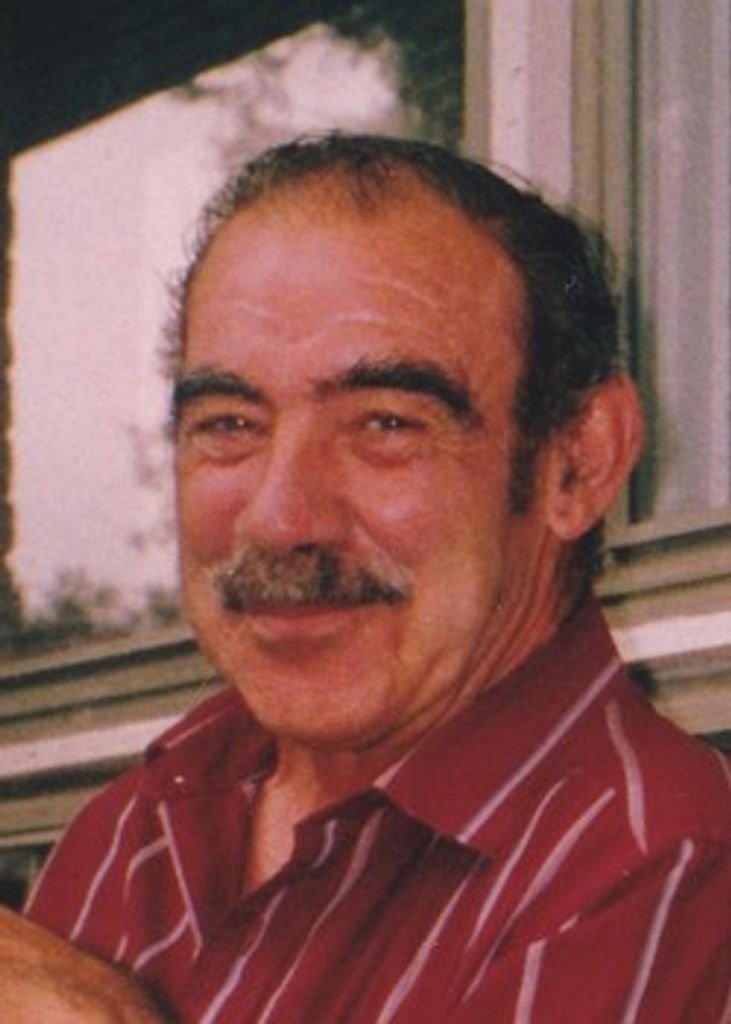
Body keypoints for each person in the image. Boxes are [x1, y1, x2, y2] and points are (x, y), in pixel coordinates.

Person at [9, 133, 731, 1021]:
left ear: (576, 464)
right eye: (230, 424)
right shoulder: (139, 825)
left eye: (385, 424)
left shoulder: (657, 864)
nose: (280, 517)